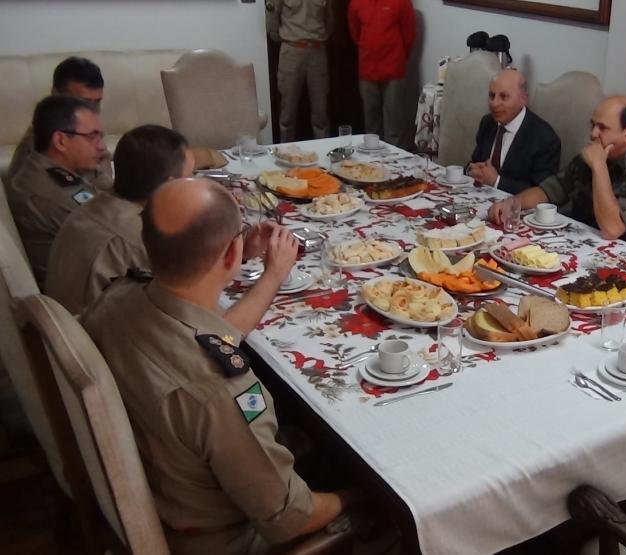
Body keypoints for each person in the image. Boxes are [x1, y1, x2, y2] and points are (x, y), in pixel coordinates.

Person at [82, 177, 359, 554]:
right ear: (229, 256)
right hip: (223, 538)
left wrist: (247, 258)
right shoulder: (222, 391)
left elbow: (201, 338)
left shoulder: (117, 298)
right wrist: (356, 495)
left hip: (161, 481)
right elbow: (291, 516)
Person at [489, 95, 626, 257]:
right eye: (593, 125)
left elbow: (613, 228)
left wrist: (599, 167)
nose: (593, 133)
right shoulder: (597, 152)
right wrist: (512, 204)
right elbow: (551, 189)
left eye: (602, 128)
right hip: (590, 245)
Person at [45, 125, 194, 314]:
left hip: (71, 326)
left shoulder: (95, 205)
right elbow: (190, 305)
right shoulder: (142, 237)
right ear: (168, 185)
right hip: (96, 336)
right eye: (189, 178)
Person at [7, 95, 108, 281]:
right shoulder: (52, 193)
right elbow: (114, 235)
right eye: (92, 137)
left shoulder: (59, 167)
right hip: (81, 295)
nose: (101, 146)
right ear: (60, 141)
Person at [4, 56, 111, 188]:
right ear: (55, 94)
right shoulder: (37, 152)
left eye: (97, 102)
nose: (93, 111)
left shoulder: (88, 137)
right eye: (83, 103)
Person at [467, 69, 560, 195]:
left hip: (517, 210)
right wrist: (472, 170)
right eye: (491, 95)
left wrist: (496, 181)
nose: (494, 104)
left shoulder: (545, 139)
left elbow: (542, 193)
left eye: (503, 97)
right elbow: (474, 162)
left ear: (523, 100)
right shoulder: (488, 122)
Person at [348, 0, 415, 149]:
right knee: (371, 124)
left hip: (393, 70)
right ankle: (373, 164)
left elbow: (409, 34)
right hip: (367, 69)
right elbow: (355, 32)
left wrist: (397, 58)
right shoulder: (356, 3)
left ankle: (395, 164)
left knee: (394, 126)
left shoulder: (402, 2)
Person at [266, 0, 333, 141]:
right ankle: (286, 156)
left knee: (321, 114)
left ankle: (324, 156)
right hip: (291, 51)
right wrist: (289, 39)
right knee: (287, 115)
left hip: (317, 50)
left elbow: (329, 20)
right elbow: (272, 23)